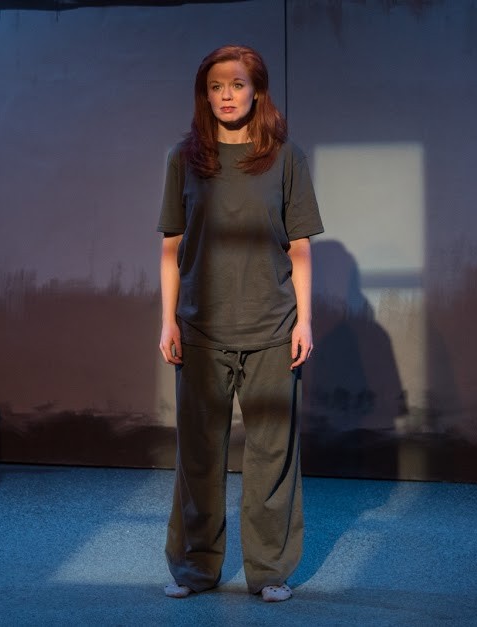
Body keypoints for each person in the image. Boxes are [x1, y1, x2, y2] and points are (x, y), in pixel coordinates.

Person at [157, 44, 324, 603]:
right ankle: (194, 569)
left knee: (273, 456)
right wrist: (168, 322)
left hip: (272, 327)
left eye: (236, 84)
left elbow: (299, 246)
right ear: (204, 96)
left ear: (257, 91)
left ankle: (269, 571)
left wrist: (304, 321)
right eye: (215, 87)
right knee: (199, 457)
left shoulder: (286, 158)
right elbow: (172, 246)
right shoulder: (184, 159)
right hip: (200, 331)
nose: (226, 95)